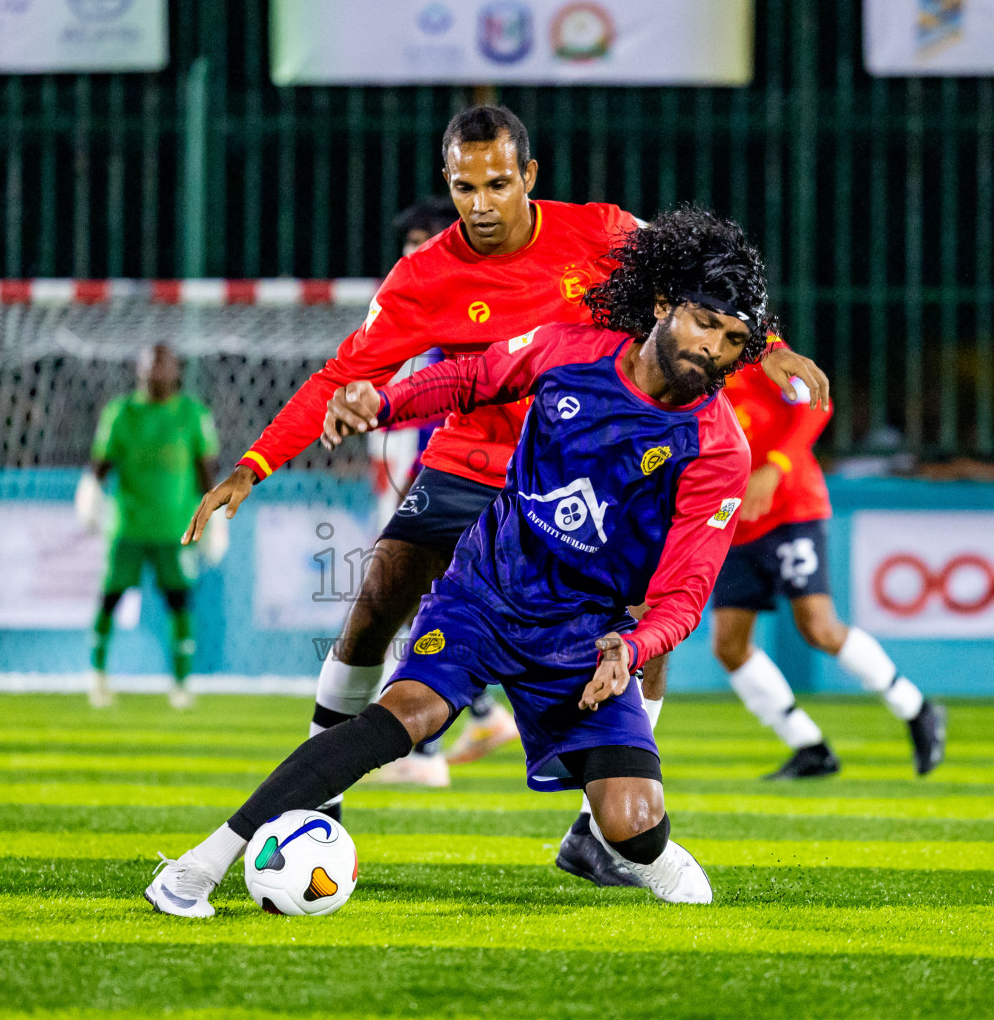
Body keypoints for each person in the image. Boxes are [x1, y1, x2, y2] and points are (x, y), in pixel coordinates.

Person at [183, 105, 827, 886]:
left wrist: (778, 353)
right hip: (476, 456)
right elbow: (342, 377)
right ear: (447, 184)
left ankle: (598, 828)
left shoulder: (603, 231)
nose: (481, 203)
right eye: (463, 186)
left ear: (528, 175)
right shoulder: (424, 275)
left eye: (496, 183)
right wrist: (254, 464)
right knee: (379, 593)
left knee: (642, 620)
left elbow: (712, 294)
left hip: (600, 465)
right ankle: (324, 791)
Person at [710, 352, 946, 777]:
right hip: (735, 520)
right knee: (729, 644)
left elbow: (816, 404)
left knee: (818, 626)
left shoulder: (755, 353)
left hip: (790, 509)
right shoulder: (684, 369)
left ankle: (916, 708)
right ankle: (809, 746)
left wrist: (775, 467)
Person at [368, 197, 520, 788]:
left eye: (423, 241)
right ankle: (479, 717)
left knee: (421, 604)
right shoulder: (425, 303)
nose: (413, 254)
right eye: (407, 246)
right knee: (428, 604)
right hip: (441, 470)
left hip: (470, 477)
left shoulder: (480, 306)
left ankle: (427, 748)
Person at [79, 344, 218, 710]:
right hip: (127, 525)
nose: (154, 372)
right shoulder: (120, 413)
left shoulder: (192, 413)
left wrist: (214, 517)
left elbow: (206, 469)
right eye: (148, 365)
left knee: (180, 602)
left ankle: (182, 682)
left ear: (176, 370)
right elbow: (101, 464)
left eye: (161, 365)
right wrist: (90, 493)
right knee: (109, 599)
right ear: (138, 370)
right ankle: (97, 675)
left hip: (176, 528)